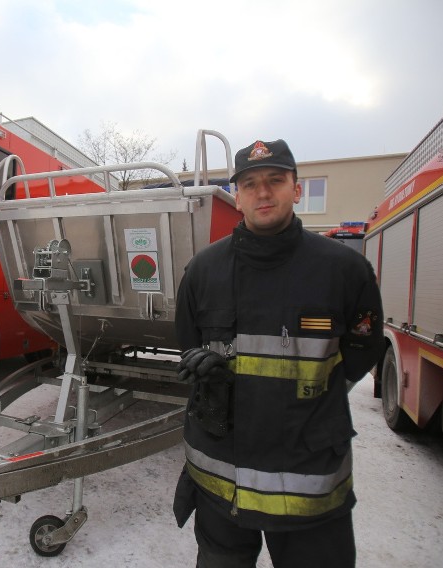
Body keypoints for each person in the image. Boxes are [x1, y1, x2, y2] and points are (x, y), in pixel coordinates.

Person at [172, 139, 384, 568]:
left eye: (275, 181)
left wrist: (312, 399)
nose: (263, 193)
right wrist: (207, 371)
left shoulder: (343, 269)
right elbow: (188, 340)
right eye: (249, 184)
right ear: (237, 196)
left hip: (309, 485)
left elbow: (362, 350)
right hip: (220, 482)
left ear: (297, 189)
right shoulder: (203, 270)